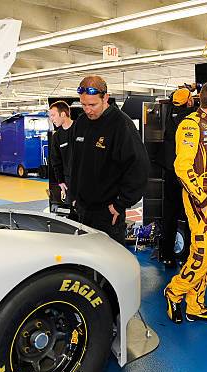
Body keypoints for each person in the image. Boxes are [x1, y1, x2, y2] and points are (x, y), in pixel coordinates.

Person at [163, 80, 207, 324]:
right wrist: (201, 198)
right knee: (206, 256)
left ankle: (195, 306)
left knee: (203, 253)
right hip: (201, 198)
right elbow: (182, 167)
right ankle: (174, 291)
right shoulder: (190, 125)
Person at [68, 75, 149, 245]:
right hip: (82, 209)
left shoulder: (121, 125)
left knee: (109, 266)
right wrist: (74, 196)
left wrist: (121, 203)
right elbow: (75, 162)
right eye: (83, 105)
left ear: (105, 97)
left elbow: (139, 168)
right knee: (84, 262)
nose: (88, 110)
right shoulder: (81, 123)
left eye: (92, 105)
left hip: (108, 213)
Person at [158, 87, 196, 267]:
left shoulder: (170, 114)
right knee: (191, 215)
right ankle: (189, 255)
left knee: (169, 216)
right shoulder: (191, 117)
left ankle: (166, 255)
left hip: (169, 173)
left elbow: (175, 96)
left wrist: (188, 90)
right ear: (189, 101)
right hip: (185, 175)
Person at [48, 101, 74, 207]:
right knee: (73, 217)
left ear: (63, 114)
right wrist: (61, 182)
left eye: (53, 115)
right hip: (69, 183)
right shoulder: (57, 137)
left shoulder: (81, 129)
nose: (51, 119)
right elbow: (55, 160)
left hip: (86, 181)